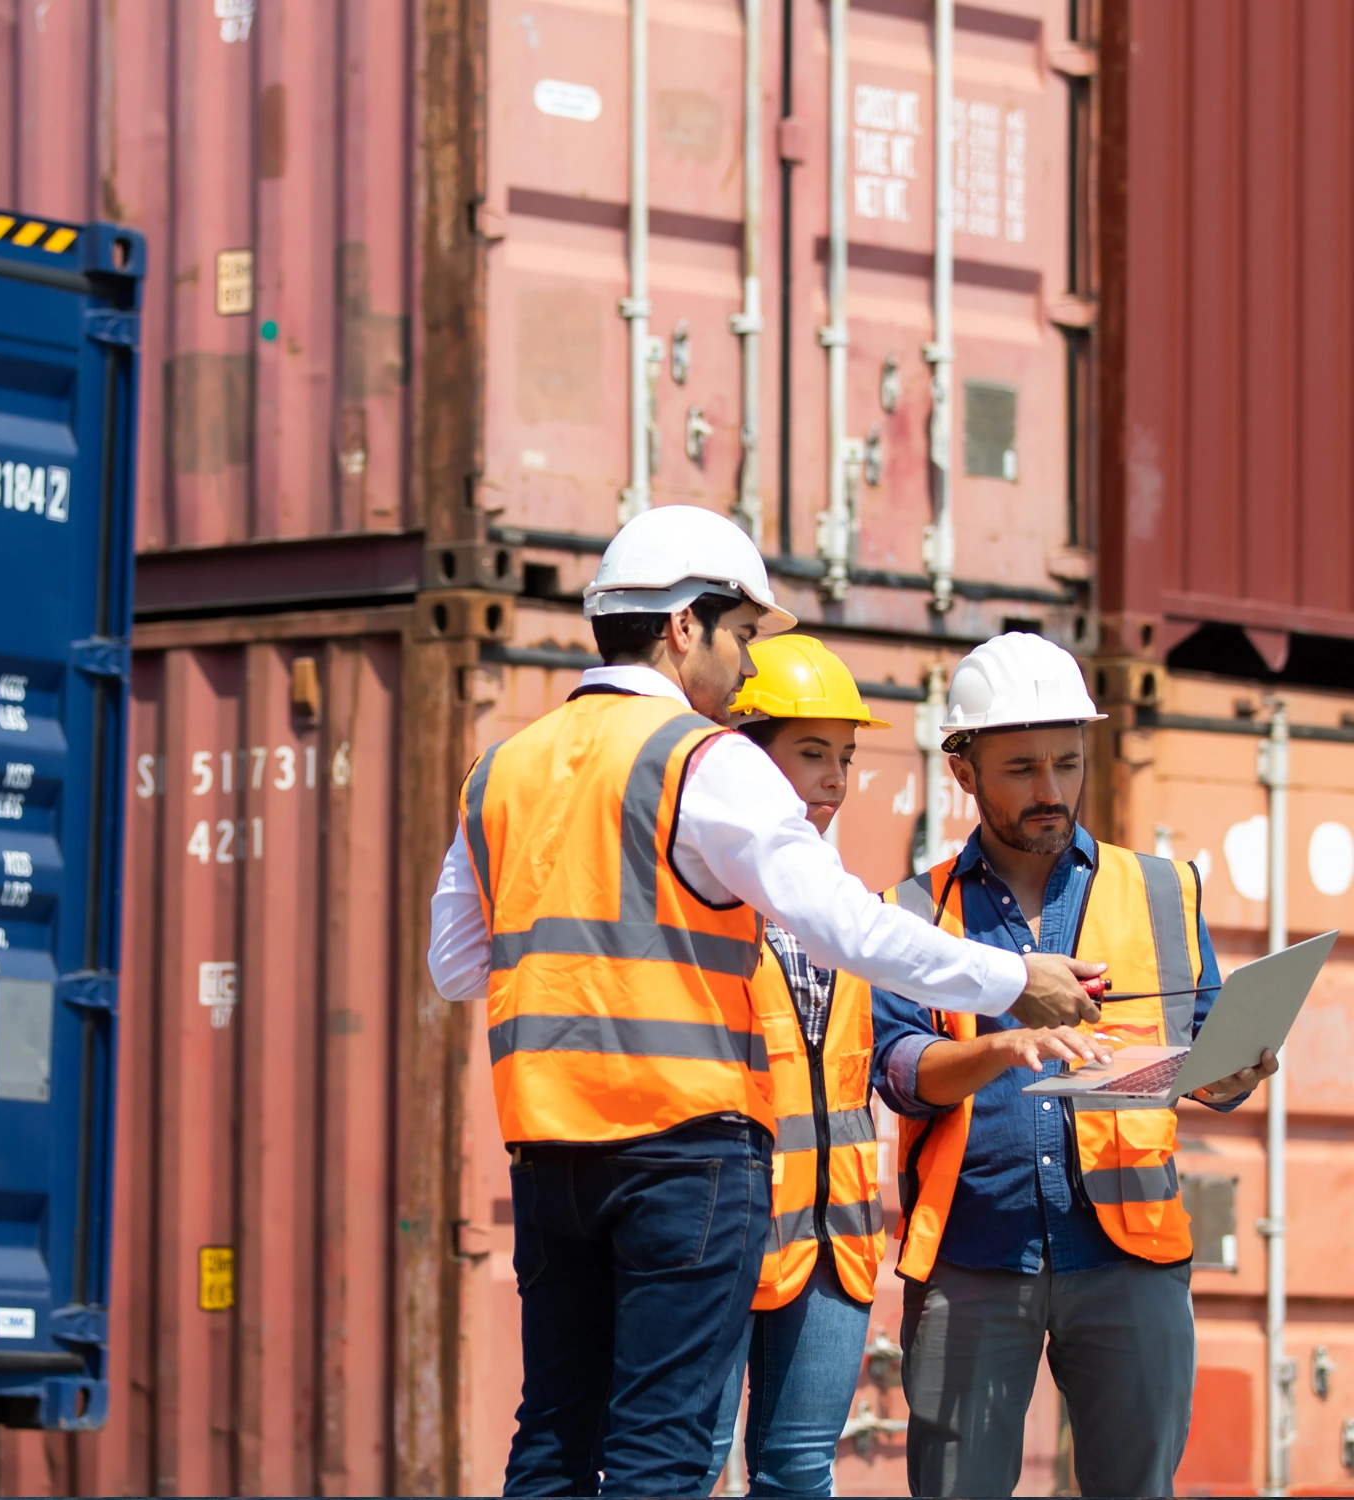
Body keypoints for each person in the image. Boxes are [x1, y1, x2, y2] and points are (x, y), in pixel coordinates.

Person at [425, 506, 1106, 1497]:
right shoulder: (704, 761)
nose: (745, 668)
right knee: (663, 1448)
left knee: (554, 1437)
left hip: (548, 1156)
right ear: (681, 626)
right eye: (741, 633)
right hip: (683, 1152)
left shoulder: (501, 770)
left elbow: (456, 965)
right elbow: (838, 922)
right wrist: (1014, 981)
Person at [871, 632, 1279, 1499]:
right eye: (1020, 769)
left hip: (1130, 1255)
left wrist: (1236, 1070)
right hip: (974, 1255)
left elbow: (1202, 1057)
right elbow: (901, 1071)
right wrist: (1002, 1045)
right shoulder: (909, 911)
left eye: (1066, 761)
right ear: (964, 769)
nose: (1051, 791)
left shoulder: (1165, 890)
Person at [703, 635, 891, 1498]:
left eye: (845, 758)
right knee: (691, 1464)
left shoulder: (847, 908)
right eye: (811, 754)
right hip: (724, 1235)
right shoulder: (703, 903)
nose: (835, 781)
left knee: (799, 1470)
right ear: (747, 758)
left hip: (834, 1244)